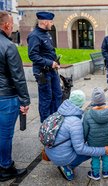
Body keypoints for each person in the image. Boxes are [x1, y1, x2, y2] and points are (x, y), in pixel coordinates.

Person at [45, 90, 108, 181]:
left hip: (50, 151)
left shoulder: (60, 111)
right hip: (60, 157)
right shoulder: (74, 122)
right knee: (92, 147)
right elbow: (80, 149)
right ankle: (67, 166)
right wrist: (103, 150)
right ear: (82, 103)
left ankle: (63, 161)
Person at [0, 11, 30, 181]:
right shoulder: (9, 46)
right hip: (6, 98)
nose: (13, 27)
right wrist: (25, 101)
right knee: (4, 135)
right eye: (12, 24)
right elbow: (18, 77)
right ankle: (5, 167)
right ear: (6, 25)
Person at [27, 11, 62, 123]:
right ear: (45, 22)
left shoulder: (46, 33)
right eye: (51, 21)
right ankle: (46, 124)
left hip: (52, 71)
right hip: (43, 73)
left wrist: (56, 62)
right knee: (46, 98)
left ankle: (55, 120)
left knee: (57, 95)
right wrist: (49, 63)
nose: (52, 24)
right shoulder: (34, 36)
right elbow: (33, 56)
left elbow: (49, 51)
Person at [83, 87, 108, 180]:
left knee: (95, 157)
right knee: (106, 155)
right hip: (106, 139)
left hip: (93, 141)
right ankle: (105, 172)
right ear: (104, 99)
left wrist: (85, 139)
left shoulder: (88, 114)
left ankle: (95, 174)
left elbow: (85, 129)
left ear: (93, 100)